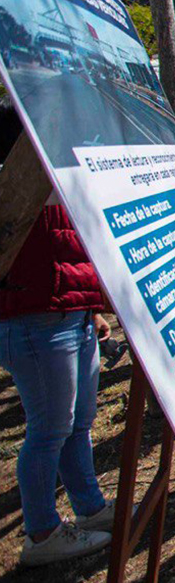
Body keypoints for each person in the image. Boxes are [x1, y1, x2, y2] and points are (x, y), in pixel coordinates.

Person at [0, 200, 117, 565]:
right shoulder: (17, 179)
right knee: (50, 430)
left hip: (73, 311)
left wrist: (90, 308)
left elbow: (69, 244)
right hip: (34, 317)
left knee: (78, 424)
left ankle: (90, 507)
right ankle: (42, 533)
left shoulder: (55, 163)